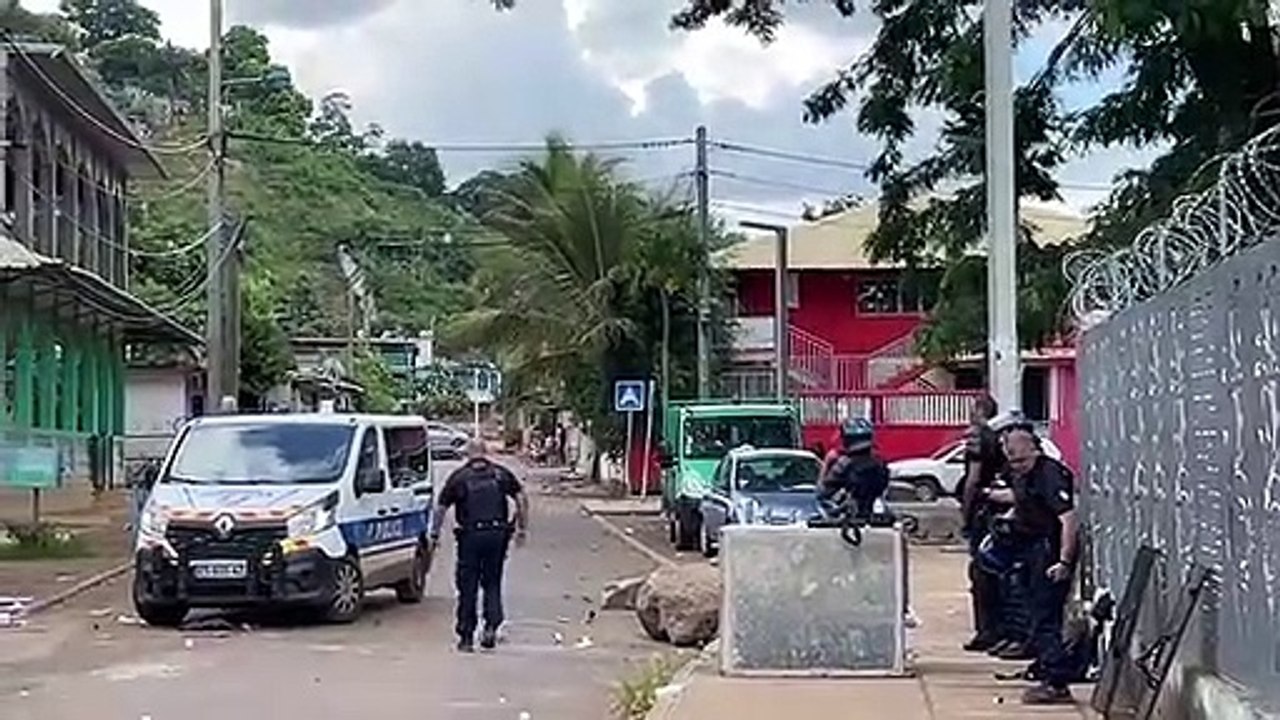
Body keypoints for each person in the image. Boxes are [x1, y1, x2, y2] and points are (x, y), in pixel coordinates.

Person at [981, 427, 1080, 705]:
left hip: (1048, 551)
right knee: (1032, 612)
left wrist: (1063, 560)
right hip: (1028, 549)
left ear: (1034, 450)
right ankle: (1043, 665)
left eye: (1021, 461)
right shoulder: (1022, 475)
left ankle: (1056, 681)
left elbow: (1068, 520)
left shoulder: (1049, 474)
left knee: (1046, 617)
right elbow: (1022, 499)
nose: (1016, 467)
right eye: (1012, 461)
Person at [430, 439, 530, 653]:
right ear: (485, 453)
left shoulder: (459, 477)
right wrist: (522, 528)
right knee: (492, 582)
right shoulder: (501, 474)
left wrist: (434, 534)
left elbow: (441, 507)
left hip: (471, 537)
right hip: (497, 535)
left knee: (468, 586)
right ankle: (491, 627)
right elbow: (521, 497)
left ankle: (466, 636)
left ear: (468, 454)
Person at [959, 396, 1005, 653]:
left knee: (981, 572)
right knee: (996, 572)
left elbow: (973, 479)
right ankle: (997, 629)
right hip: (996, 510)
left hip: (982, 511)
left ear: (978, 411)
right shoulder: (999, 436)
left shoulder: (978, 437)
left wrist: (966, 511)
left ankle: (986, 631)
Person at [818, 417, 890, 521]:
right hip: (871, 518)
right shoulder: (879, 463)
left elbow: (822, 493)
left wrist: (827, 463)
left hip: (849, 519)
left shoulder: (844, 463)